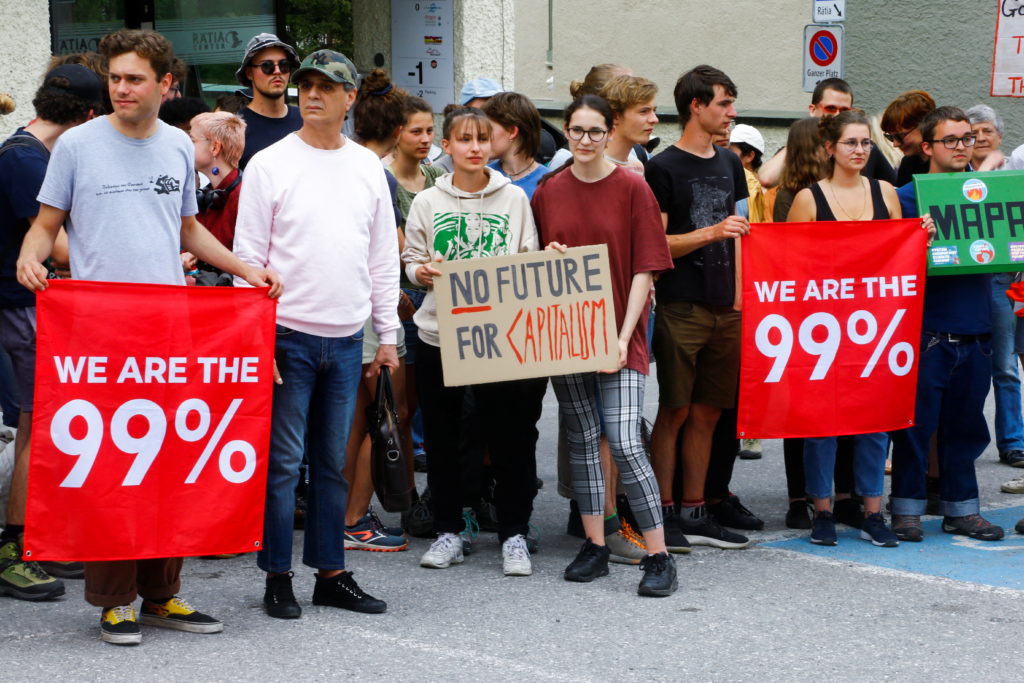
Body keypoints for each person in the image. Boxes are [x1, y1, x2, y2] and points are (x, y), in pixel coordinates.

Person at [17, 28, 281, 645]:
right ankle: (115, 600)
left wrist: (244, 268)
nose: (121, 89)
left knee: (166, 464)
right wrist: (32, 259)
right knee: (113, 466)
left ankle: (163, 594)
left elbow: (188, 230)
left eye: (134, 79)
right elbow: (45, 225)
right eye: (115, 78)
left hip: (168, 333)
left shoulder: (176, 150)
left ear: (166, 85)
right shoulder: (78, 146)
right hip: (99, 336)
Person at [233, 50, 399, 619]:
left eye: (327, 86)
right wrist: (255, 336)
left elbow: (382, 257)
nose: (311, 93)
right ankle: (277, 575)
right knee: (282, 465)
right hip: (286, 334)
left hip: (348, 336)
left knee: (331, 463)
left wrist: (388, 334)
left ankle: (331, 572)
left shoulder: (366, 168)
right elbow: (249, 258)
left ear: (350, 98)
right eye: (306, 84)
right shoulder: (270, 163)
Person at [532, 94, 677, 596]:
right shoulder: (549, 191)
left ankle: (659, 554)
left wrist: (623, 335)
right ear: (566, 134)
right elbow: (533, 268)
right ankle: (595, 544)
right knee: (582, 440)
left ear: (609, 131)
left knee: (624, 439)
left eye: (596, 131)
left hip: (622, 334)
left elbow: (646, 267)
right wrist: (546, 256)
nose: (587, 140)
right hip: (570, 336)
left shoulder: (633, 188)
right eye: (577, 131)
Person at [402, 106, 547, 576]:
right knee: (443, 439)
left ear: (494, 144)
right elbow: (411, 258)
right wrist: (419, 271)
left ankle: (514, 534)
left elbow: (528, 260)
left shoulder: (514, 200)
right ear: (447, 146)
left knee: (510, 439)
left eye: (482, 139)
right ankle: (448, 529)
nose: (474, 147)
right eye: (464, 139)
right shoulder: (427, 201)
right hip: (438, 334)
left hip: (498, 337)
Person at [0, 64, 104, 603]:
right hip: (21, 309)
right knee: (35, 426)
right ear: (90, 115)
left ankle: (39, 539)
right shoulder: (25, 159)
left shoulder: (29, 152)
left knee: (38, 424)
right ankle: (15, 549)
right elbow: (58, 247)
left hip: (28, 308)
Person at [644, 65, 751, 550]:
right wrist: (711, 232)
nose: (731, 113)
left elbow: (747, 234)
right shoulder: (662, 166)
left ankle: (695, 509)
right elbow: (657, 243)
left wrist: (741, 295)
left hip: (727, 307)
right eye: (723, 103)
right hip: (682, 305)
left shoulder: (731, 163)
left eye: (731, 103)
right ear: (696, 105)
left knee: (709, 412)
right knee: (674, 410)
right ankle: (661, 512)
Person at [786, 110, 904, 547]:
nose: (860, 150)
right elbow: (789, 267)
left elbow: (899, 255)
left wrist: (919, 235)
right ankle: (822, 512)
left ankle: (873, 512)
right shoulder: (808, 199)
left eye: (866, 143)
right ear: (828, 149)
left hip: (875, 325)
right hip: (822, 328)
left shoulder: (886, 193)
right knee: (823, 422)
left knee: (875, 420)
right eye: (851, 143)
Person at [889, 106, 1003, 543]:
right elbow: (885, 265)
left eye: (968, 138)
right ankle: (907, 511)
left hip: (978, 331)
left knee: (967, 427)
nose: (961, 147)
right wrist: (915, 239)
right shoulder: (905, 199)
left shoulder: (992, 192)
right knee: (915, 428)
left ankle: (963, 510)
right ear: (927, 147)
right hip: (927, 332)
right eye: (951, 140)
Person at [341, 67, 413, 553]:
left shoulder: (341, 163)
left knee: (356, 419)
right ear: (395, 131)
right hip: (373, 312)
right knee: (387, 415)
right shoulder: (376, 175)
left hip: (347, 307)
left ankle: (341, 513)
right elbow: (391, 250)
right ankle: (353, 518)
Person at [759, 78, 895, 188]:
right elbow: (766, 179)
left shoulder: (865, 148)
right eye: (830, 108)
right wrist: (800, 143)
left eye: (844, 110)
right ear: (813, 110)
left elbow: (895, 187)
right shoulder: (800, 149)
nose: (837, 115)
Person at [235, 33, 301, 168]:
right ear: (249, 73)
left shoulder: (306, 120)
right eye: (267, 66)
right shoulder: (236, 128)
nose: (277, 71)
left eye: (284, 65)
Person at [190, 111, 245, 252]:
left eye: (192, 141)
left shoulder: (243, 197)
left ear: (215, 147)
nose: (187, 146)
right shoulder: (210, 193)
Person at [481, 91, 549, 198]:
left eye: (488, 129)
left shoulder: (548, 183)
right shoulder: (483, 176)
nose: (481, 137)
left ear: (512, 131)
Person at [599, 75, 659, 175]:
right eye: (644, 111)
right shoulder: (591, 168)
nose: (654, 119)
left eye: (654, 110)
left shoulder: (637, 166)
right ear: (615, 116)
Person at [880, 90, 936, 187]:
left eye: (900, 136)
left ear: (923, 126)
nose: (895, 144)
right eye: (891, 137)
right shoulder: (908, 163)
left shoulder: (944, 159)